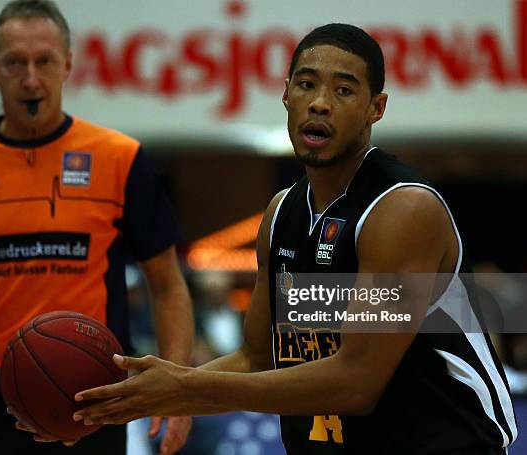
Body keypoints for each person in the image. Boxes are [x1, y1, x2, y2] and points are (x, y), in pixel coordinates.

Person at [70, 24, 518, 454]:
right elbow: (255, 360)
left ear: (375, 108)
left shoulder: (402, 210)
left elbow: (356, 382)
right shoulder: (282, 214)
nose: (320, 103)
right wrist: (122, 401)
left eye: (343, 90)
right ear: (286, 94)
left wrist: (183, 385)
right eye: (306, 85)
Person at [0, 0, 194, 453]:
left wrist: (180, 396)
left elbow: (167, 286)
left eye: (43, 61)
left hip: (93, 402)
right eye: (14, 62)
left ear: (67, 63)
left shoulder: (122, 159)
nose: (29, 78)